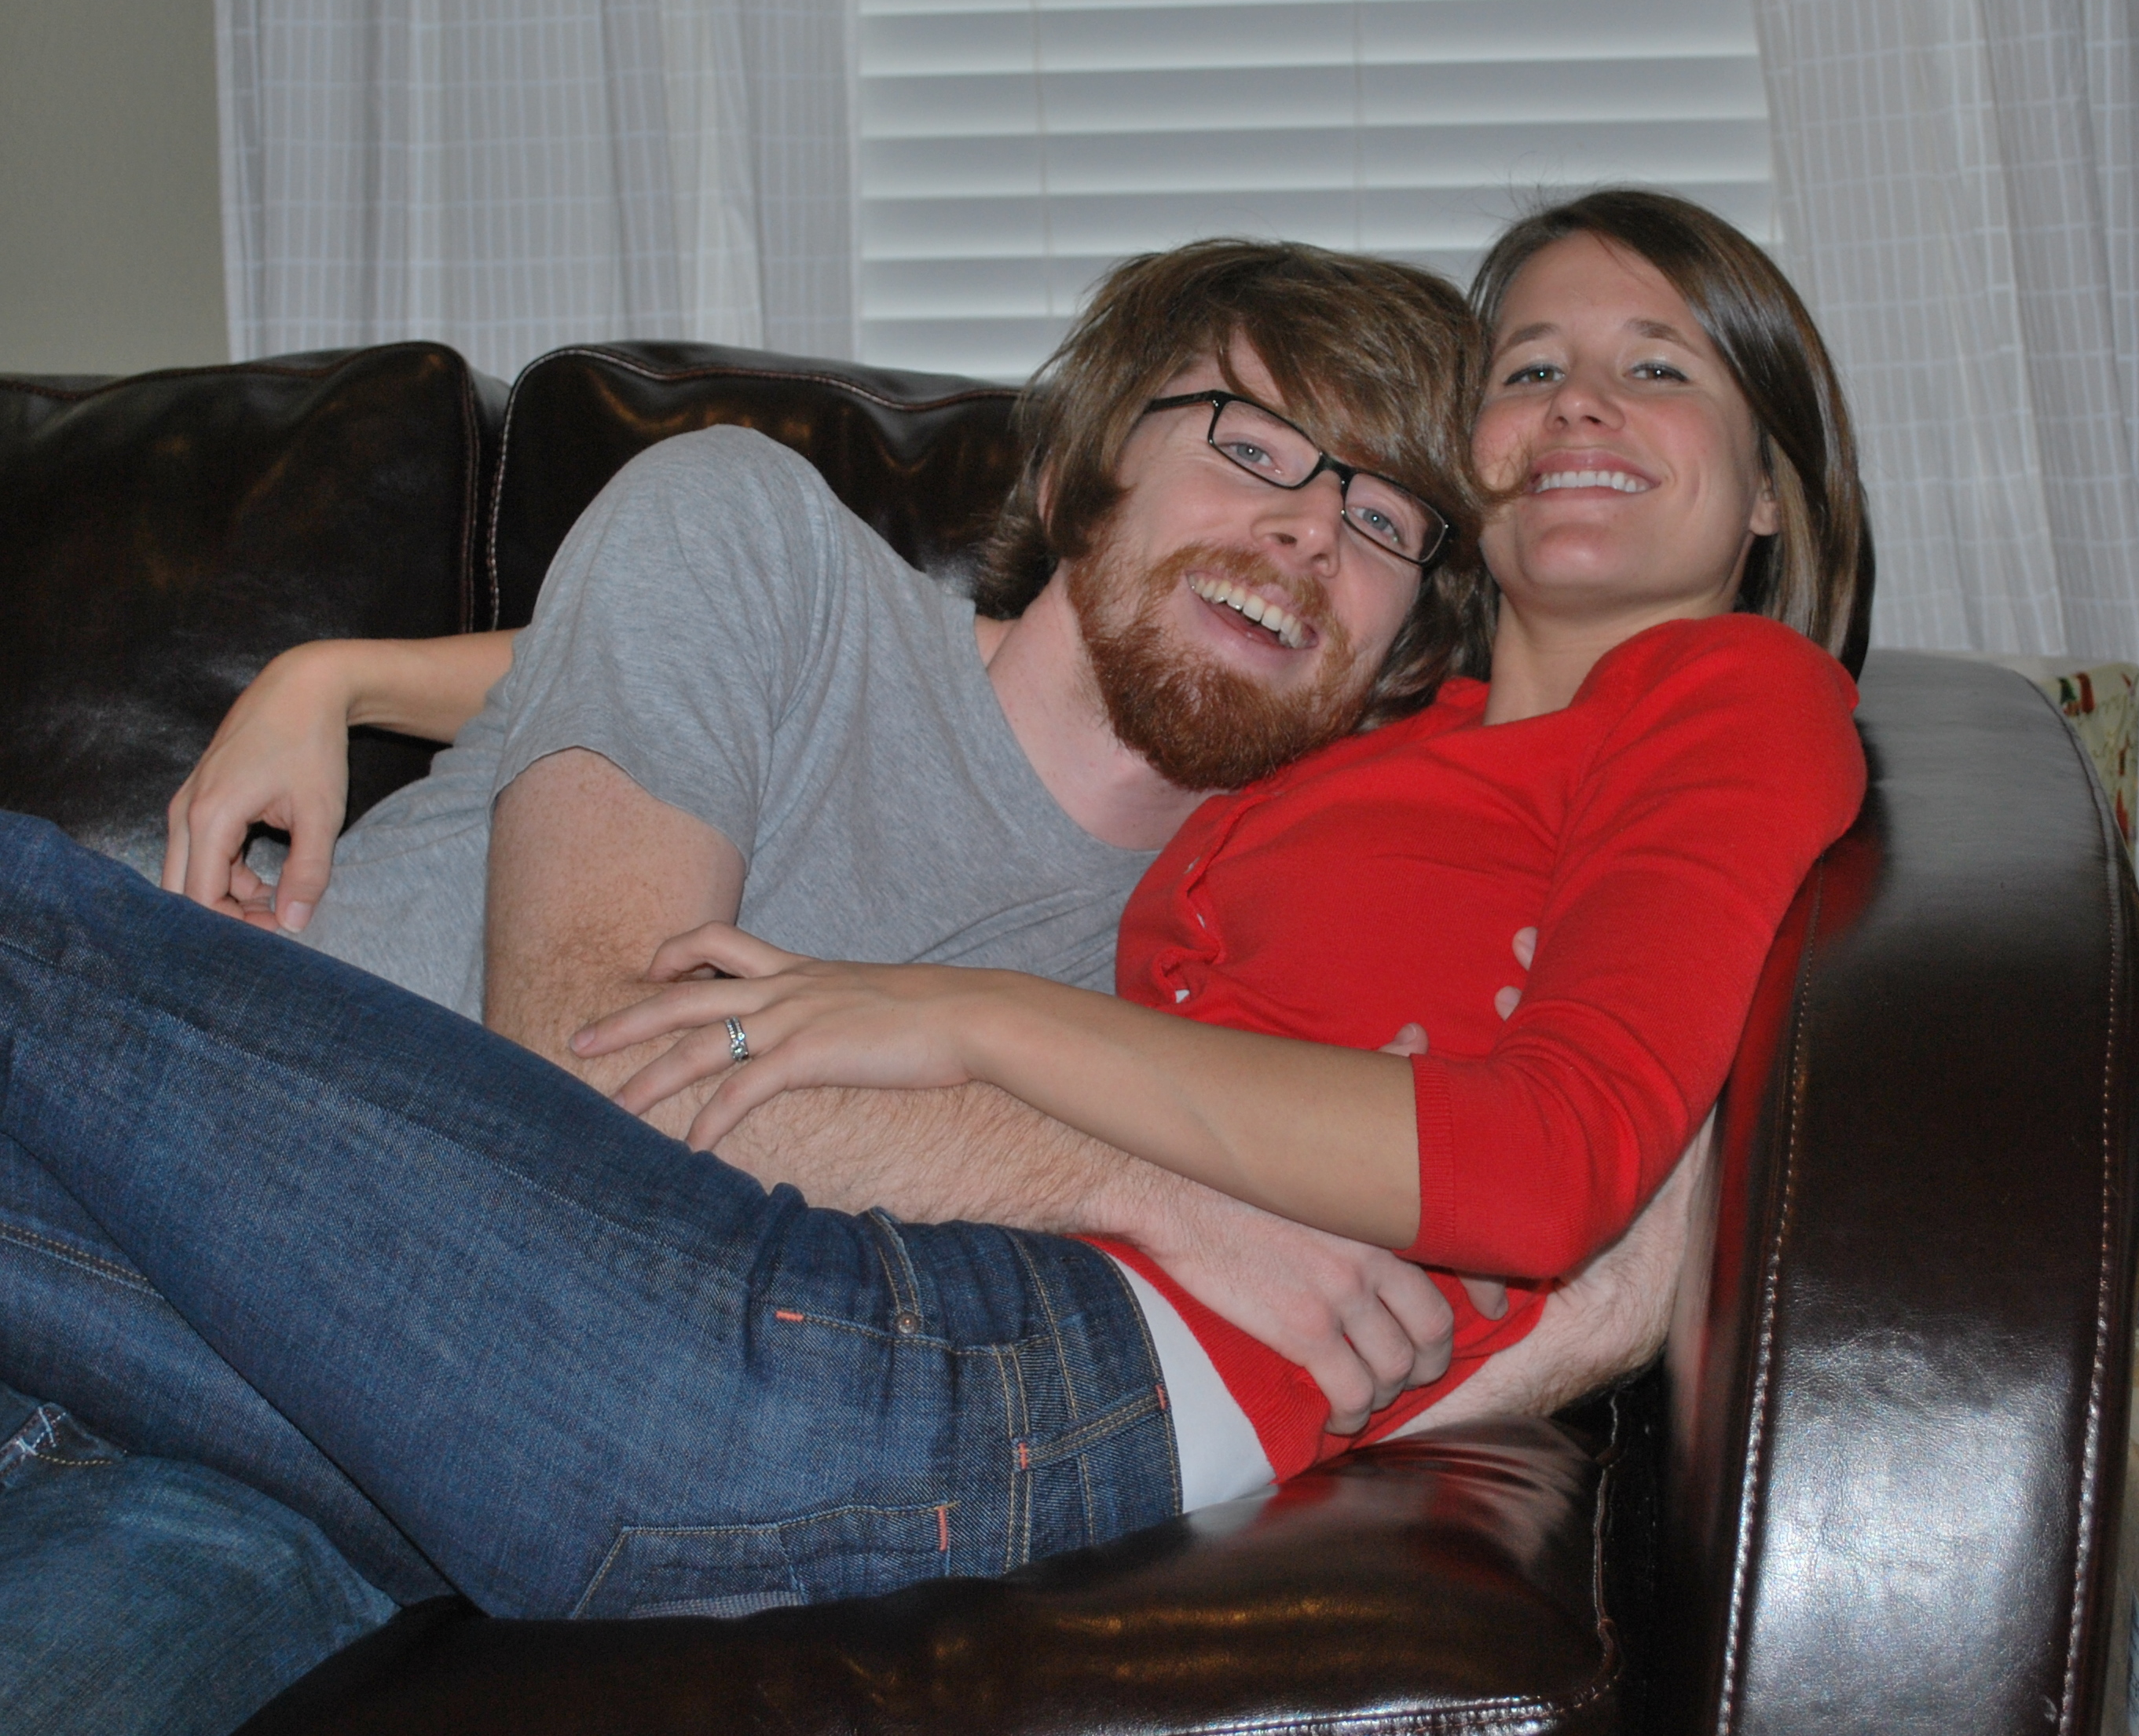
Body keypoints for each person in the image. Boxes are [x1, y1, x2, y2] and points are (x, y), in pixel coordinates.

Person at [0, 196, 1857, 1689]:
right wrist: (338, 670)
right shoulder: (756, 535)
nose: (1307, 534)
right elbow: (599, 1053)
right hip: (153, 1216)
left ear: (1399, 635)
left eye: (1381, 517)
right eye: (1251, 443)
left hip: (316, 1490)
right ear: (1073, 480)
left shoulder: (1246, 895)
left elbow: (1583, 1122)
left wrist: (1556, 1312)